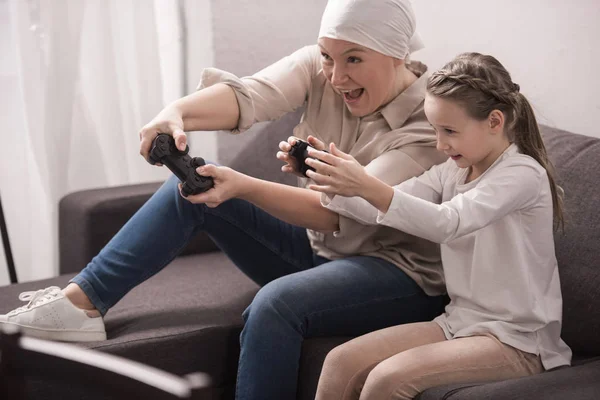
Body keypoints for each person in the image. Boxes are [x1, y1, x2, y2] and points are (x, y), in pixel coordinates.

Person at [0, 1, 450, 399]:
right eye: (328, 58)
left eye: (353, 60)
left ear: (398, 54)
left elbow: (340, 213)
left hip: (398, 275)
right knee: (191, 188)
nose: (336, 76)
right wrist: (175, 113)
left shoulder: (430, 122)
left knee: (276, 304)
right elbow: (250, 95)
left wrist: (244, 185)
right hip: (318, 249)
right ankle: (82, 303)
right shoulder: (325, 66)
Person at [301, 52, 572, 400]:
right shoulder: (453, 170)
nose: (440, 144)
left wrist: (366, 184)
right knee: (340, 361)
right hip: (459, 322)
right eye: (435, 129)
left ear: (494, 121)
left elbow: (450, 222)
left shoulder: (521, 175)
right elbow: (384, 206)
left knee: (387, 380)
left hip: (518, 340)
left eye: (450, 131)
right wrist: (329, 179)